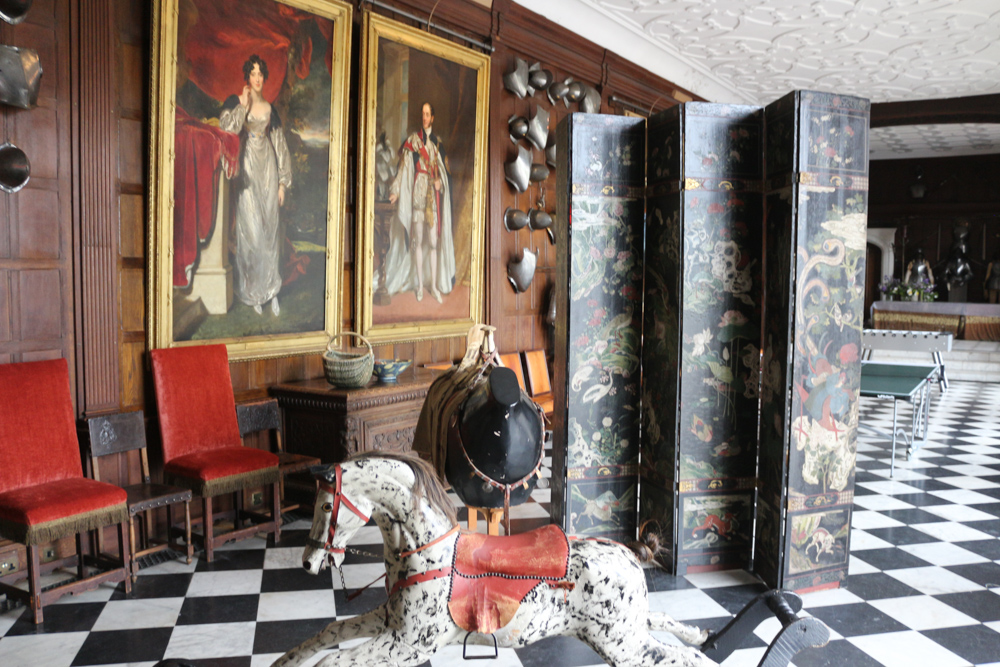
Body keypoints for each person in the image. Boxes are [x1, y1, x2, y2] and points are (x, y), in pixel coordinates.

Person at [219, 55, 292, 315]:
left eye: (261, 73)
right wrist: (244, 103)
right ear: (247, 77)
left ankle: (271, 289)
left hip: (268, 169)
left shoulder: (271, 109)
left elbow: (281, 147)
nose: (258, 78)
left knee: (270, 230)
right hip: (248, 167)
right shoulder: (237, 102)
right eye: (253, 73)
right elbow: (227, 128)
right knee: (251, 230)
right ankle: (253, 293)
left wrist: (283, 184)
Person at [384, 102, 455, 303]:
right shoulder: (412, 143)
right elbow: (403, 170)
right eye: (422, 114)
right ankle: (421, 287)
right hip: (417, 194)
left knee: (433, 242)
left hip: (432, 195)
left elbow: (445, 174)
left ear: (432, 118)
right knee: (418, 241)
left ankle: (433, 285)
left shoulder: (438, 145)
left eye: (427, 114)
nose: (424, 117)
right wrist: (396, 192)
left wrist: (441, 182)